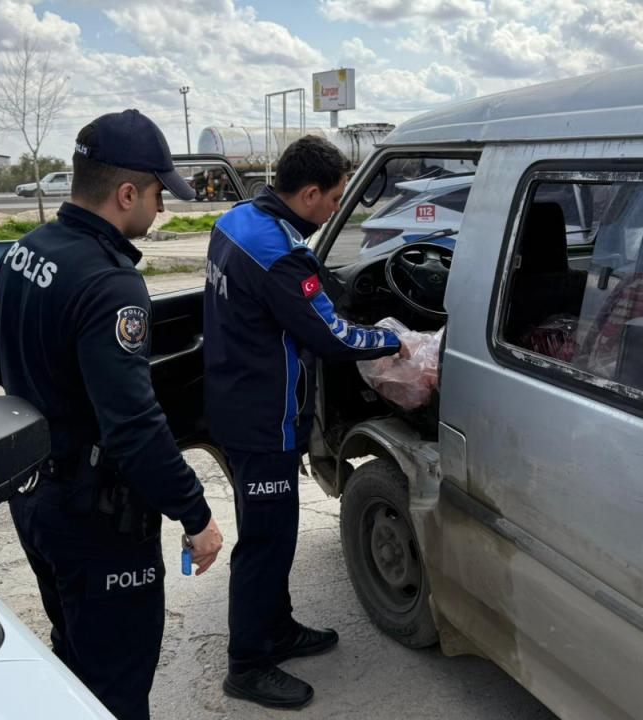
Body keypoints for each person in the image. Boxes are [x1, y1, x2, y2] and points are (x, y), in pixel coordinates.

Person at [0, 109, 224, 720]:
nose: (162, 209)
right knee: (116, 684)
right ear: (125, 194)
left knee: (75, 653)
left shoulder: (24, 252)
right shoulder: (111, 284)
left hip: (34, 497)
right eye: (158, 194)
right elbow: (134, 426)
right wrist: (195, 514)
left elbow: (1, 365)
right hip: (96, 519)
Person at [203, 135, 408, 709]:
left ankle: (277, 627)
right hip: (263, 418)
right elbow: (330, 335)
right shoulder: (282, 253)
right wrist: (394, 341)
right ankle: (247, 664)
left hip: (233, 397)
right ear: (310, 193)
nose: (338, 208)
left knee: (273, 532)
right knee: (265, 542)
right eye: (336, 198)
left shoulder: (235, 221)